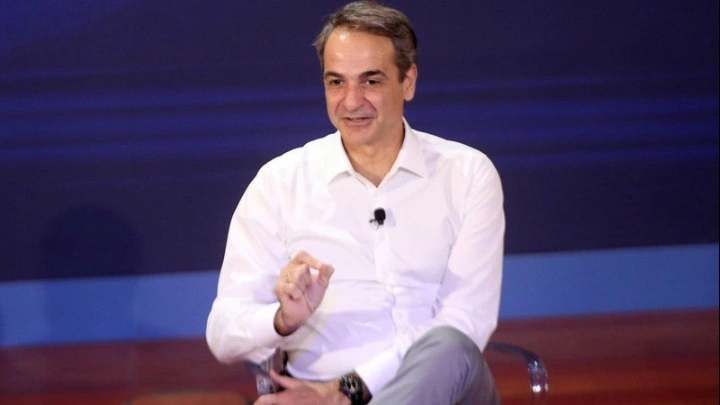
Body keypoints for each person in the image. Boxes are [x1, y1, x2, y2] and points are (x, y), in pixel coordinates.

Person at [206, 1, 504, 404]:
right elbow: (223, 334)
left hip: (444, 391)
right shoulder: (279, 184)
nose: (351, 101)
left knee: (449, 346)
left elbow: (467, 322)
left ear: (408, 82)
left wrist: (347, 390)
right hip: (314, 394)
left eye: (371, 81)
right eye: (336, 82)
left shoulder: (466, 174)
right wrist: (282, 319)